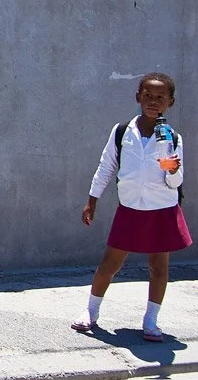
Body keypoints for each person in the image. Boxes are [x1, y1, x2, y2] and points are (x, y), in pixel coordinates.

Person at [74, 72, 189, 342]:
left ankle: (151, 320)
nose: (153, 102)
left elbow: (175, 182)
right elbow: (107, 166)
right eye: (148, 96)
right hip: (130, 208)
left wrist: (172, 167)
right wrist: (92, 199)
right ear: (138, 97)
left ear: (170, 102)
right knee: (110, 263)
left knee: (158, 266)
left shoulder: (172, 137)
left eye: (160, 97)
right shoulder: (122, 131)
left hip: (161, 208)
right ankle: (91, 310)